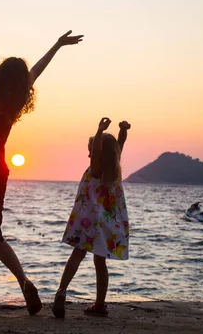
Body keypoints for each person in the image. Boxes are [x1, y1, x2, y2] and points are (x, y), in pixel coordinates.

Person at [0, 0, 83, 316]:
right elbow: (37, 69)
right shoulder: (13, 107)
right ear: (21, 85)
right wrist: (56, 46)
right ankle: (23, 282)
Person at [53, 119, 131, 318]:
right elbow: (119, 146)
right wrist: (122, 131)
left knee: (77, 255)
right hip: (106, 224)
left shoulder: (96, 169)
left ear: (98, 153)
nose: (89, 154)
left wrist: (99, 131)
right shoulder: (113, 169)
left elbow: (99, 150)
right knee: (100, 263)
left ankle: (61, 292)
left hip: (87, 221)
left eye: (90, 150)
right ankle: (100, 304)